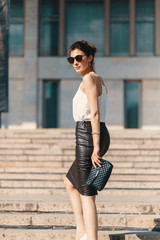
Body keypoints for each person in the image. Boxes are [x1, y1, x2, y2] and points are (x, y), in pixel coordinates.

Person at [64, 40, 110, 240]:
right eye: (71, 59)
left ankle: (90, 237)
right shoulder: (93, 78)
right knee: (69, 182)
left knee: (87, 192)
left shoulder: (89, 80)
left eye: (79, 57)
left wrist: (96, 146)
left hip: (89, 135)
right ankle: (81, 232)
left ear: (90, 58)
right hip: (89, 134)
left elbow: (95, 114)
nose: (75, 62)